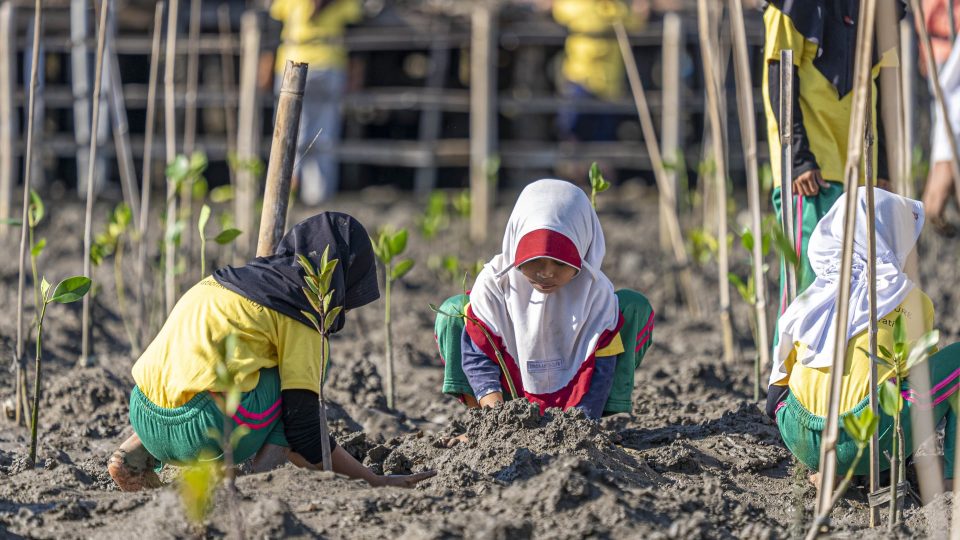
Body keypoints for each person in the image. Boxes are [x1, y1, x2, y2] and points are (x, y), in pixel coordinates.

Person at [107, 213, 435, 491]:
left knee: (202, 368)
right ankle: (254, 477)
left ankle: (132, 454)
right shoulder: (302, 313)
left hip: (142, 413)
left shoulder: (228, 281)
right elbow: (304, 432)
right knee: (295, 384)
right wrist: (373, 480)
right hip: (202, 435)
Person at [765, 188, 960, 487]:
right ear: (889, 241)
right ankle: (949, 474)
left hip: (797, 431)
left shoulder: (812, 297)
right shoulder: (913, 302)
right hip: (865, 436)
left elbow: (772, 400)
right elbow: (916, 384)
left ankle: (834, 468)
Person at [434, 179, 655, 419]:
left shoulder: (595, 293)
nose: (547, 273)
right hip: (506, 402)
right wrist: (495, 422)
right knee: (455, 310)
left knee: (633, 306)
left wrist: (583, 427)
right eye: (535, 260)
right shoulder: (495, 285)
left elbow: (601, 369)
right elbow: (478, 356)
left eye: (561, 263)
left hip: (579, 402)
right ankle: (479, 421)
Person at [761, 1, 896, 309]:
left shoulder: (877, 10)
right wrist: (798, 159)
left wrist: (883, 167)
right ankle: (794, 358)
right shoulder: (788, 9)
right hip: (812, 174)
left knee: (858, 290)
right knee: (807, 285)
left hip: (861, 171)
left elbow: (884, 90)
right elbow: (779, 76)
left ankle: (839, 359)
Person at [267, 0, 362, 205]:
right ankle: (315, 198)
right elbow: (355, 30)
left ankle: (287, 196)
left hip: (294, 66)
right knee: (322, 135)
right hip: (327, 66)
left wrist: (265, 64)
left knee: (290, 133)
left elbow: (273, 27)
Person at [552, 0, 647, 144]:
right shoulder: (578, 5)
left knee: (603, 141)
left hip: (609, 86)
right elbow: (563, 11)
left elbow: (636, 24)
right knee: (572, 136)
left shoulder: (615, 8)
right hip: (581, 80)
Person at [917, 0, 960, 234]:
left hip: (943, 52)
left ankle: (935, 204)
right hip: (943, 52)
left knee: (947, 129)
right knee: (948, 126)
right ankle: (934, 205)